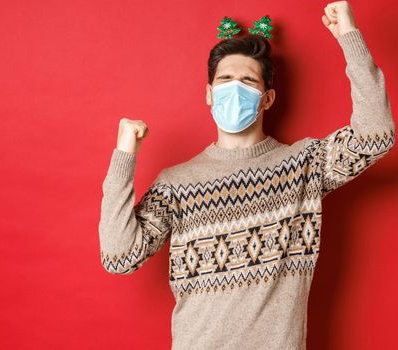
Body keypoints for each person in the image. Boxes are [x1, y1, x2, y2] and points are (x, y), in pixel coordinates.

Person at [98, 1, 395, 349]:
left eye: (247, 80)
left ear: (267, 98)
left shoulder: (303, 165)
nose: (234, 87)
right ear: (209, 95)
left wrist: (349, 35)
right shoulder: (176, 184)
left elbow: (376, 136)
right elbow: (118, 258)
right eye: (224, 80)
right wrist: (124, 155)